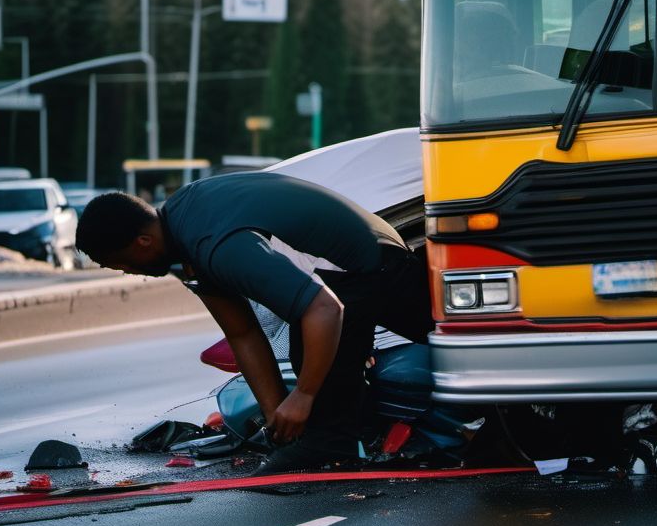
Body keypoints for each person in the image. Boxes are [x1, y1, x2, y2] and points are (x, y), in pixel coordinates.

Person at [75, 171, 432, 473]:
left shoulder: (216, 245)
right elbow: (242, 333)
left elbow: (326, 310)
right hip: (351, 269)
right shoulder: (182, 241)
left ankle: (331, 445)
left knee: (311, 343)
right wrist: (278, 419)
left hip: (377, 262)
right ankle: (328, 436)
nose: (127, 273)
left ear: (142, 242)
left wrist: (303, 398)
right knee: (310, 347)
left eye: (121, 264)